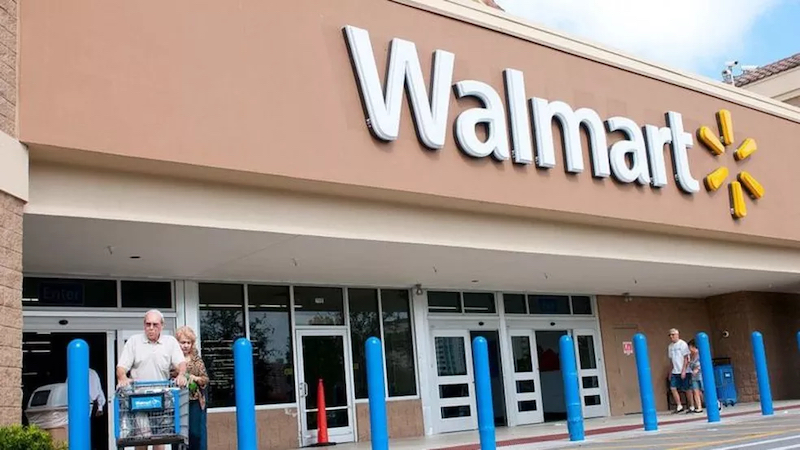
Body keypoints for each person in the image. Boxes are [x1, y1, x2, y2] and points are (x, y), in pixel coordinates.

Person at [116, 309, 187, 450]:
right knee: (142, 438)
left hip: (161, 398)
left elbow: (181, 363)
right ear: (144, 325)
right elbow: (121, 367)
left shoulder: (170, 342)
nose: (151, 328)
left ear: (162, 325)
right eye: (148, 324)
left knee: (159, 439)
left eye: (155, 324)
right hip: (138, 399)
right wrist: (123, 377)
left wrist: (181, 374)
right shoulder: (134, 341)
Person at [173, 326, 209, 450]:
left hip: (194, 400)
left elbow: (205, 379)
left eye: (189, 342)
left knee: (195, 433)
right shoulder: (172, 360)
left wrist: (195, 378)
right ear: (177, 343)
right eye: (183, 342)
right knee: (177, 434)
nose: (186, 345)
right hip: (177, 401)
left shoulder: (197, 360)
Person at [667, 328, 694, 413]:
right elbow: (671, 360)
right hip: (675, 371)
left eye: (673, 334)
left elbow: (686, 358)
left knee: (687, 389)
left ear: (677, 335)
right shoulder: (670, 346)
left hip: (685, 370)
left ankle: (692, 406)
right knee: (673, 387)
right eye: (670, 335)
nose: (671, 336)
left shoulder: (682, 344)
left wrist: (683, 370)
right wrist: (670, 371)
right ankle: (679, 405)